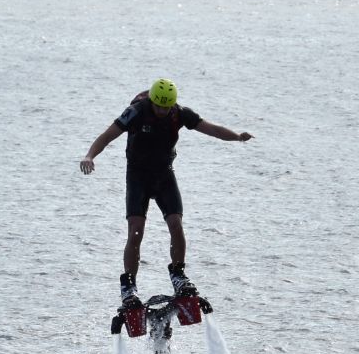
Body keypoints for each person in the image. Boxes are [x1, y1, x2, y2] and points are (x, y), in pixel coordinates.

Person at [78, 78, 253, 308]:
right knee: (136, 231)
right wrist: (90, 156)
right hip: (138, 176)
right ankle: (129, 287)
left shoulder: (179, 114)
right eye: (158, 106)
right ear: (151, 101)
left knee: (176, 224)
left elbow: (212, 129)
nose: (162, 110)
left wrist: (237, 137)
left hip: (164, 175)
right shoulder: (136, 112)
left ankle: (178, 275)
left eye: (166, 107)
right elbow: (107, 136)